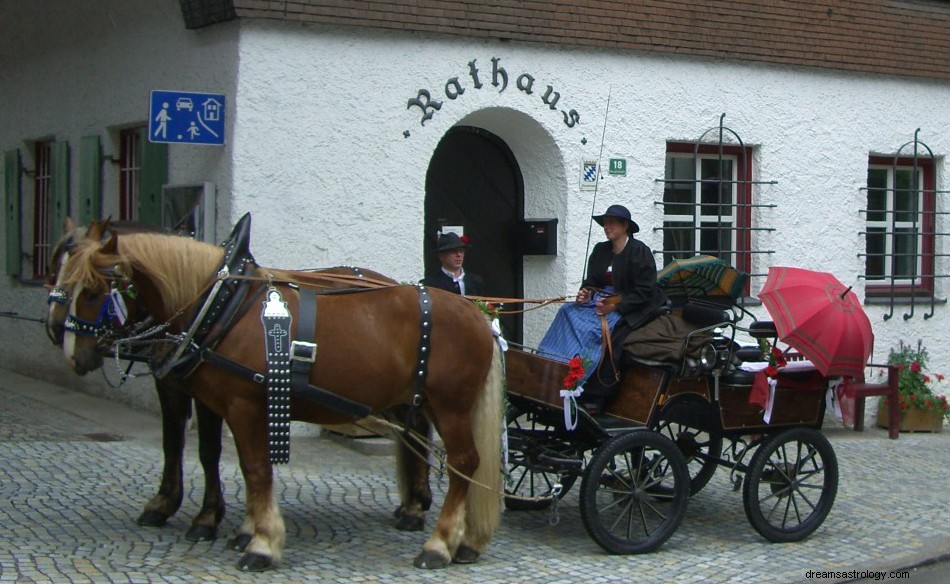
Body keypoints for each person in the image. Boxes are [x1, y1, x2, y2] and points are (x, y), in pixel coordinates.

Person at [540, 204, 669, 414]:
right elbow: (591, 282)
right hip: (600, 301)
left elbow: (645, 290)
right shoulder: (601, 249)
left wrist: (616, 304)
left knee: (601, 332)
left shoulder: (639, 251)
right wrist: (585, 294)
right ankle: (553, 368)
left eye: (611, 223)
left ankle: (594, 392)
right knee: (567, 312)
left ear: (624, 226)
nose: (606, 227)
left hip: (632, 305)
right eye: (605, 223)